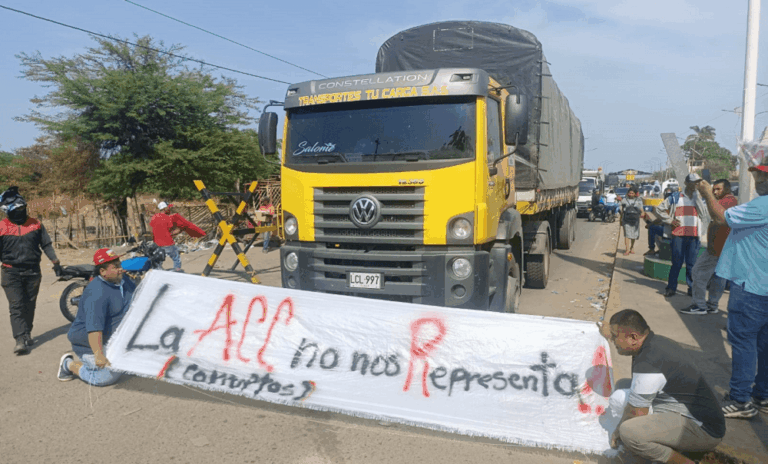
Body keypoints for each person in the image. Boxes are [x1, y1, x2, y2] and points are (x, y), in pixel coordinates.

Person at [694, 155, 768, 418]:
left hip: (751, 286)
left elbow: (719, 217)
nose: (758, 180)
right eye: (758, 174)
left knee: (743, 342)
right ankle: (762, 395)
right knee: (763, 344)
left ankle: (740, 400)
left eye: (763, 175)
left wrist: (705, 193)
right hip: (762, 286)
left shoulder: (762, 206)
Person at [607, 309, 725, 464]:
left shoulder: (649, 362)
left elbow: (637, 412)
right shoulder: (654, 343)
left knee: (629, 433)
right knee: (622, 385)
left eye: (615, 336)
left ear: (633, 337)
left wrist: (617, 430)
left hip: (704, 430)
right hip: (695, 414)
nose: (612, 340)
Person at [57, 249, 136, 386]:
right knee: (105, 378)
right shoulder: (97, 293)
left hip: (115, 339)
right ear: (103, 272)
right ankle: (68, 365)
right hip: (88, 342)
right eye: (115, 267)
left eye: (119, 265)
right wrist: (98, 354)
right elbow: (94, 328)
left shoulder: (125, 282)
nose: (120, 269)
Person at [0, 186, 63, 355]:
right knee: (17, 305)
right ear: (8, 212)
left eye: (22, 209)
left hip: (33, 272)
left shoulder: (36, 224)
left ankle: (27, 332)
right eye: (17, 210)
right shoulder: (2, 227)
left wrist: (55, 261)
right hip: (10, 272)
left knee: (29, 305)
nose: (20, 212)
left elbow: (46, 245)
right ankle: (20, 339)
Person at [679, 179, 738, 316]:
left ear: (727, 189)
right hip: (721, 247)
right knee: (718, 277)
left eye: (718, 189)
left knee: (698, 272)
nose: (715, 192)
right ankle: (712, 304)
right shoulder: (728, 201)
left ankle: (699, 305)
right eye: (714, 189)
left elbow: (716, 217)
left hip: (716, 248)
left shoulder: (727, 201)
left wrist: (706, 195)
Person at [656, 176, 702, 297]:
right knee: (676, 263)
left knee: (692, 264)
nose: (695, 185)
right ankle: (671, 288)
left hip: (694, 236)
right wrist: (670, 220)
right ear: (686, 183)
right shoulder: (675, 197)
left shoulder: (700, 198)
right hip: (678, 235)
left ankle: (692, 288)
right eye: (693, 182)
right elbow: (659, 209)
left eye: (697, 183)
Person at [149, 201, 206, 272]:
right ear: (164, 208)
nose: (169, 209)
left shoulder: (154, 218)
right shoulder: (168, 218)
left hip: (157, 244)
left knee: (158, 260)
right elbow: (175, 231)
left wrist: (155, 240)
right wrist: (181, 229)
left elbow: (151, 231)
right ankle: (177, 273)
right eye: (168, 207)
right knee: (176, 258)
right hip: (168, 243)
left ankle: (158, 273)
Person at [620, 186, 645, 255]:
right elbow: (622, 210)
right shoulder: (624, 200)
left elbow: (641, 208)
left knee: (634, 235)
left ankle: (632, 247)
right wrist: (620, 219)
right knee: (627, 235)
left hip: (635, 220)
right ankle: (627, 249)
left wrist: (643, 213)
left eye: (632, 193)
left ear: (635, 194)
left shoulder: (639, 200)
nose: (630, 194)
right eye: (629, 193)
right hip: (626, 219)